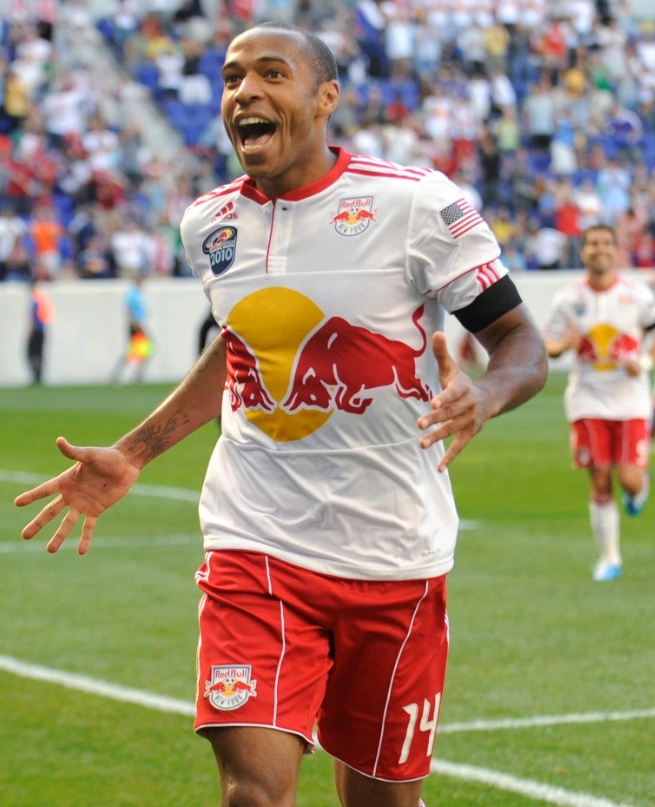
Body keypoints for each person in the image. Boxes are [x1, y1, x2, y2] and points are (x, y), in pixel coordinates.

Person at [15, 23, 547, 807]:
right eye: (231, 78)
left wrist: (487, 394)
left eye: (270, 74)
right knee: (252, 796)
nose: (244, 93)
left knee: (381, 801)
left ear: (325, 98)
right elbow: (243, 345)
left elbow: (521, 344)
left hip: (395, 552)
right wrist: (134, 451)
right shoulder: (209, 225)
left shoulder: (414, 205)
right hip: (256, 542)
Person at [543, 224, 655, 583]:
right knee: (601, 478)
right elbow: (547, 343)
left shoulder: (637, 295)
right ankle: (609, 558)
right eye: (593, 244)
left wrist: (645, 362)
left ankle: (640, 488)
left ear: (617, 249)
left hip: (631, 399)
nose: (600, 249)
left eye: (607, 243)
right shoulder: (567, 299)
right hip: (587, 398)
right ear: (584, 250)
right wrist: (563, 345)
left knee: (630, 479)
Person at [110, 275, 154, 385]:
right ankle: (120, 376)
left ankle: (135, 376)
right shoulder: (133, 294)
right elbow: (129, 309)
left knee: (143, 351)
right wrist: (134, 324)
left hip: (139, 325)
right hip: (136, 326)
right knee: (138, 351)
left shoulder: (137, 294)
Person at [26, 277, 54, 384]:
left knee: (32, 353)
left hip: (37, 331)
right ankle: (38, 376)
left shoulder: (35, 301)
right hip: (42, 330)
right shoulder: (42, 299)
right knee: (39, 354)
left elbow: (33, 319)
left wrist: (30, 333)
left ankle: (37, 377)